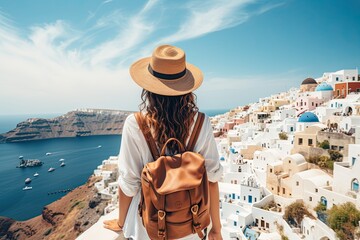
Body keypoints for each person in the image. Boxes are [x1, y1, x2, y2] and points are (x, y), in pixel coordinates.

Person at [103, 45, 223, 240]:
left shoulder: (135, 124)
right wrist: (216, 229)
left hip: (148, 229)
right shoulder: (201, 122)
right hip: (190, 226)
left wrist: (120, 221)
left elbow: (129, 184)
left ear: (148, 88)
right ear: (187, 89)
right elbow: (212, 179)